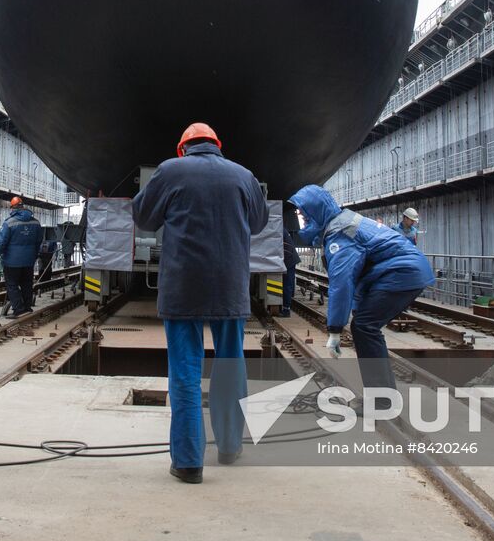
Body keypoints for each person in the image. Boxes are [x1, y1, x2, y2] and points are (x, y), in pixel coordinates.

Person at [133, 122, 268, 484]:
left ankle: (190, 462)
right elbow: (257, 223)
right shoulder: (244, 176)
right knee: (230, 366)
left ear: (183, 149)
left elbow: (143, 218)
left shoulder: (170, 170)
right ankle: (228, 447)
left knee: (185, 373)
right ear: (217, 146)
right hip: (230, 287)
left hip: (183, 288)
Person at [290, 185, 434, 399]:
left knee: (365, 327)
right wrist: (355, 310)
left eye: (304, 214)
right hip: (405, 271)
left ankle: (381, 400)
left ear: (316, 211)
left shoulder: (339, 236)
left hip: (403, 272)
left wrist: (335, 330)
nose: (301, 219)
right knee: (365, 324)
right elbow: (362, 278)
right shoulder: (344, 222)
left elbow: (342, 283)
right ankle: (383, 396)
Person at [0, 197, 40, 316]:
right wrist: (34, 255)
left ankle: (18, 309)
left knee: (12, 284)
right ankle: (27, 307)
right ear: (23, 206)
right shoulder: (36, 223)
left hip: (12, 262)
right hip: (29, 261)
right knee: (27, 283)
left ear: (13, 208)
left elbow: (1, 242)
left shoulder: (9, 223)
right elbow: (39, 241)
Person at [279, 227, 299, 318]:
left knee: (287, 285)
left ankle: (286, 309)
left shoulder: (278, 229)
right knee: (288, 284)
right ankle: (286, 306)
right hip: (290, 259)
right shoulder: (281, 228)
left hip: (289, 260)